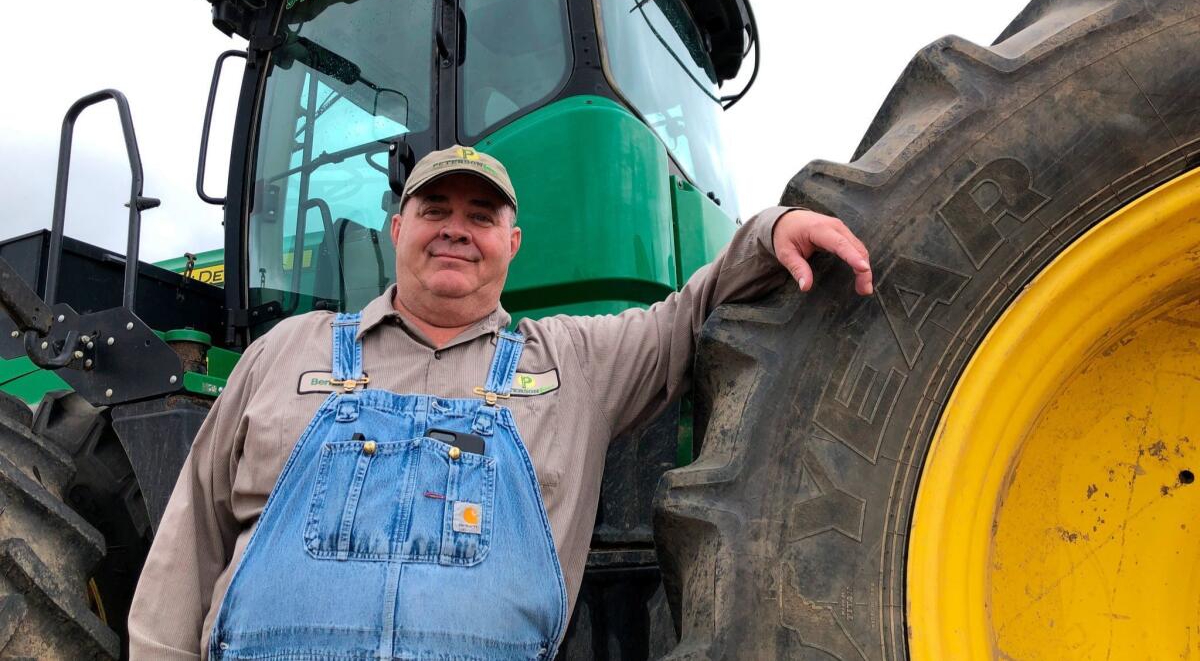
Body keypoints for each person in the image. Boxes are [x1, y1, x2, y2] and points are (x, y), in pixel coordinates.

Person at [127, 145, 872, 659]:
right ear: (398, 229)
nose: (456, 227)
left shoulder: (573, 360)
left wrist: (774, 228)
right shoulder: (288, 349)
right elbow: (187, 546)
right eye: (435, 208)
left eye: (481, 216)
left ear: (512, 243)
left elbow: (689, 311)